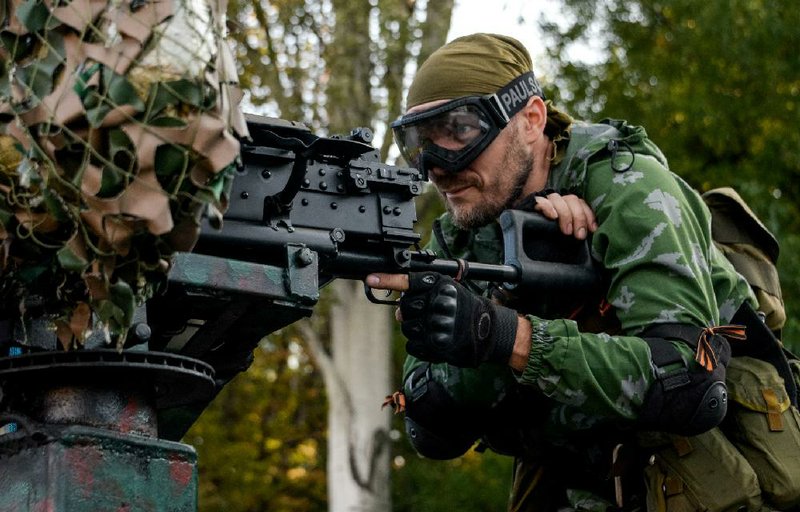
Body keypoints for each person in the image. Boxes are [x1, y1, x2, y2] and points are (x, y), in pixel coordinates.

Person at [366, 33, 758, 511]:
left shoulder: (628, 188)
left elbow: (692, 383)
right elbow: (432, 434)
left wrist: (506, 335)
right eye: (418, 142)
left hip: (698, 481)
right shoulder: (462, 233)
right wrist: (463, 337)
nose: (438, 168)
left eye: (459, 131)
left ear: (531, 119)